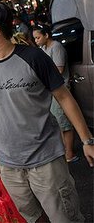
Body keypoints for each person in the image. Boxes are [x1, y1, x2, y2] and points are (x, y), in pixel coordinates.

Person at [0, 2, 93, 222]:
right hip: (9, 165)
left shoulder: (34, 58)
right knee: (32, 218)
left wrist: (87, 140)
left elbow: (64, 97)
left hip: (47, 160)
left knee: (64, 217)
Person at [33, 24, 78, 163]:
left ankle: (70, 153)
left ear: (46, 35)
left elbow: (58, 70)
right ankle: (65, 151)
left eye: (38, 37)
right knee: (58, 122)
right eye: (34, 38)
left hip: (60, 89)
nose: (36, 41)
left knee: (63, 122)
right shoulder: (43, 48)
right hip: (50, 90)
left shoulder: (56, 47)